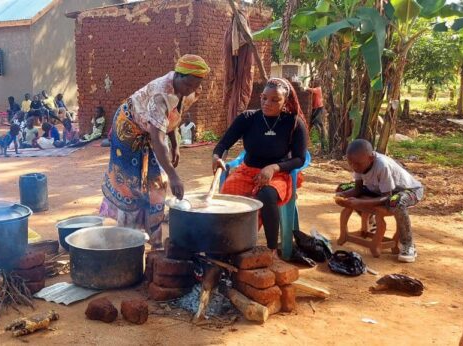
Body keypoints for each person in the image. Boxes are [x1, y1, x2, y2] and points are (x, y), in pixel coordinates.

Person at [101, 54, 209, 246]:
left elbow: (172, 117)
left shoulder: (189, 90)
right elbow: (157, 139)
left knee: (156, 182)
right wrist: (174, 174)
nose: (191, 90)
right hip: (128, 127)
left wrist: (175, 145)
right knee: (130, 183)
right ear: (177, 75)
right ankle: (128, 240)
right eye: (189, 85)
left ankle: (155, 240)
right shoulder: (161, 95)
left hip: (151, 128)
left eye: (196, 86)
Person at [213, 78, 308, 257]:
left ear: (285, 102)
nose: (267, 103)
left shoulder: (294, 123)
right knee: (228, 192)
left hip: (279, 174)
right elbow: (224, 144)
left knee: (266, 194)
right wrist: (217, 156)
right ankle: (231, 241)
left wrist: (274, 168)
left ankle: (271, 248)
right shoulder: (248, 118)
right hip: (247, 171)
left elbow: (300, 159)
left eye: (274, 100)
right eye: (264, 98)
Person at [335, 139, 424, 263]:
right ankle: (372, 223)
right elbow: (358, 189)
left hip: (405, 191)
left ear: (371, 158)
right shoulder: (359, 163)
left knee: (396, 202)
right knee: (342, 187)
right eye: (351, 163)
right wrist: (342, 195)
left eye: (357, 164)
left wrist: (360, 203)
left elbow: (387, 197)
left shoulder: (382, 165)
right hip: (379, 190)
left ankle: (408, 244)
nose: (354, 167)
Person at [307, 80, 326, 150]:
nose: (313, 83)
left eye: (314, 82)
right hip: (315, 108)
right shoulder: (316, 89)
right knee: (313, 123)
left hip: (318, 108)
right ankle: (310, 139)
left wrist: (306, 88)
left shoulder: (318, 89)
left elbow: (309, 89)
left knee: (316, 122)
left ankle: (321, 139)